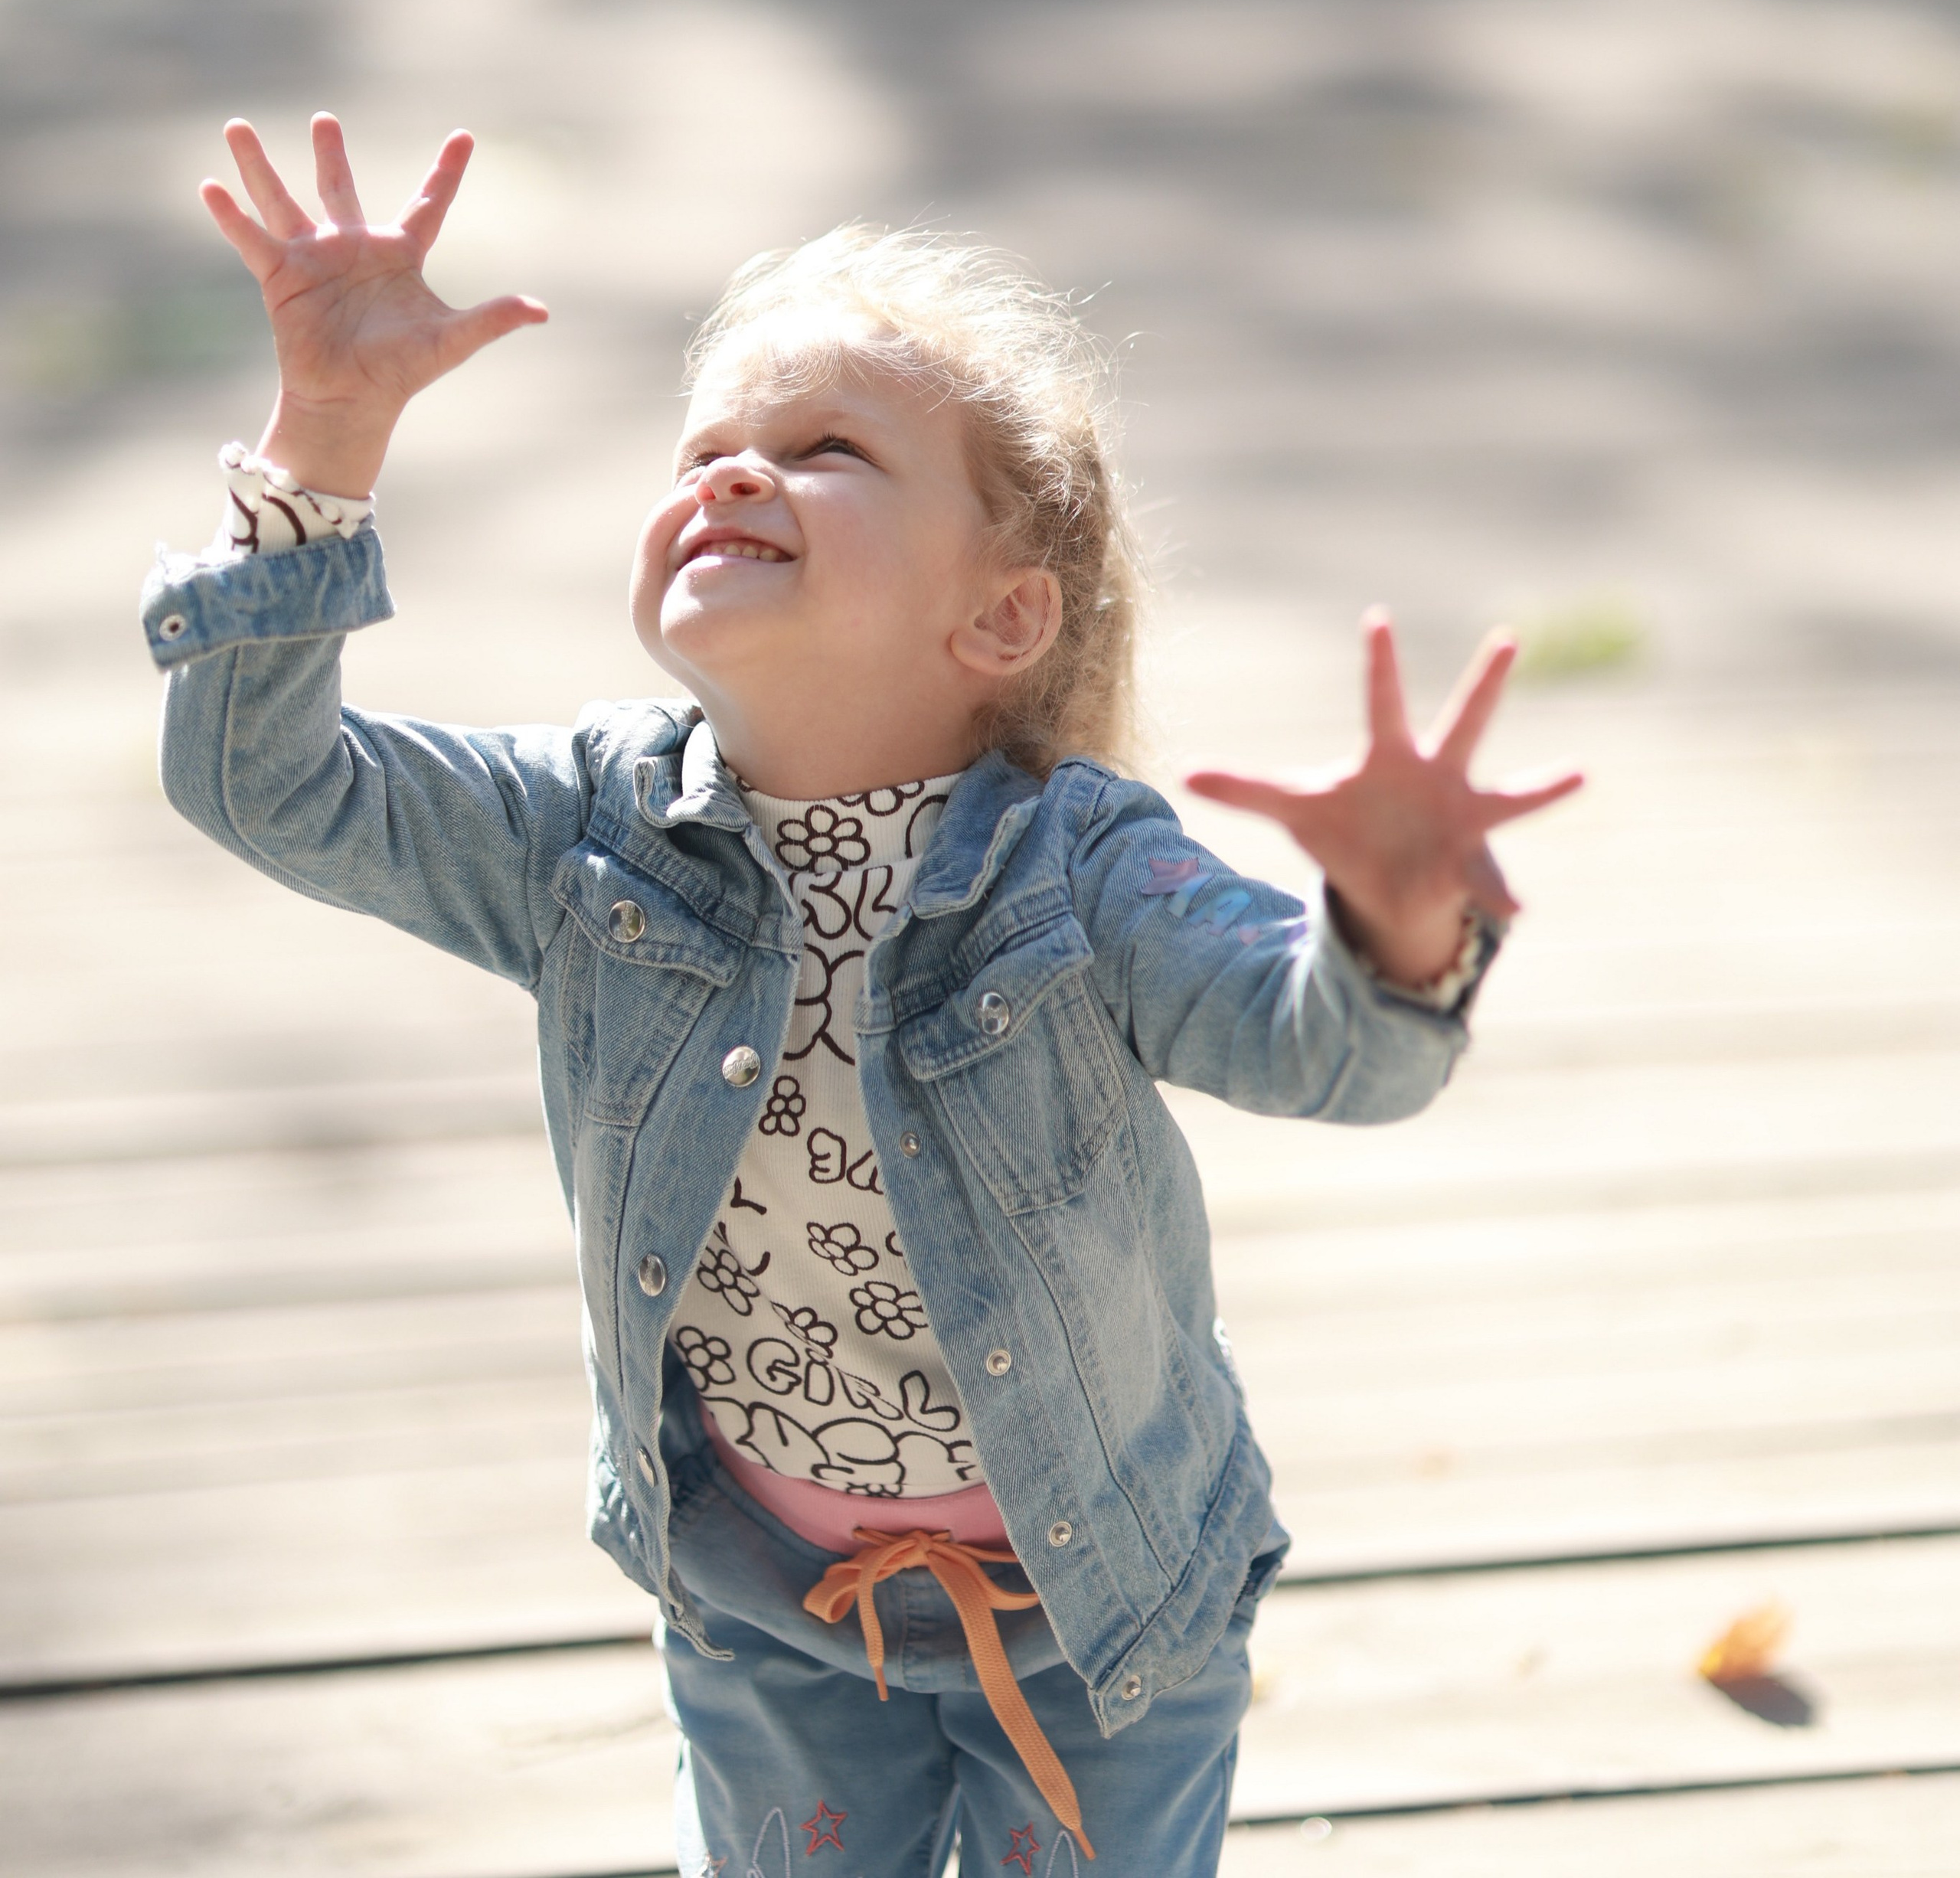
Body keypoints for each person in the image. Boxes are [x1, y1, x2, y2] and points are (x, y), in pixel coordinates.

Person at [145, 113, 1581, 1878]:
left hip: (1099, 1607)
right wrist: (328, 438)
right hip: (764, 1600)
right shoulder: (582, 834)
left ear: (998, 620)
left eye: (820, 450)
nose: (730, 477)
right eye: (706, 450)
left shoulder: (1081, 868)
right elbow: (264, 783)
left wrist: (1388, 927)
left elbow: (1324, 1056)